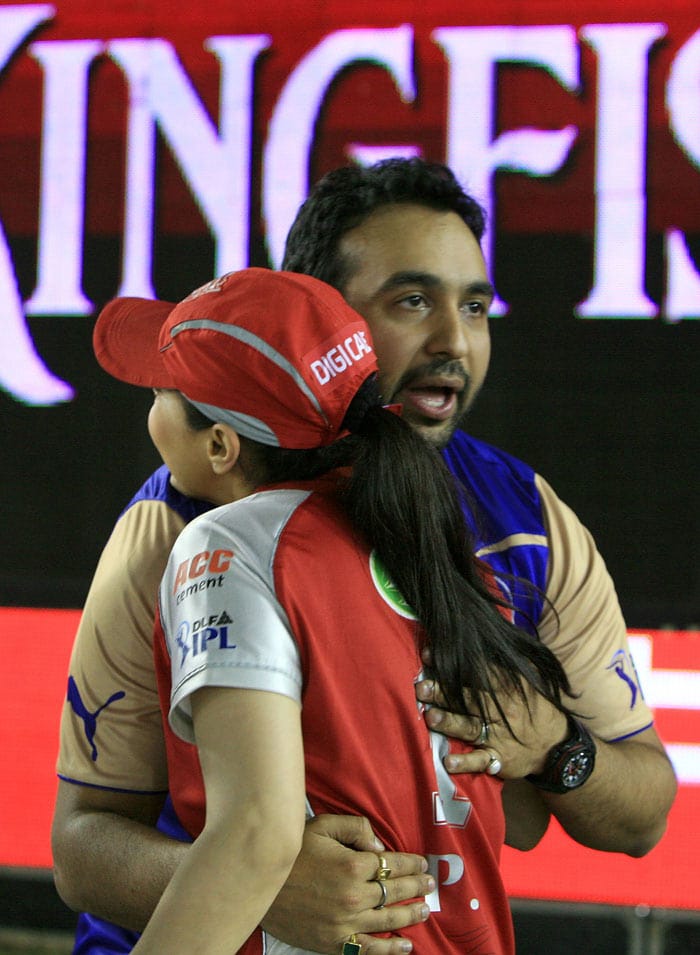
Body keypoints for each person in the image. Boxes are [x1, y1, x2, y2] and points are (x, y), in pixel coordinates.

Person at [52, 159, 676, 954]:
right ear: (317, 317)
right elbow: (87, 847)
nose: (453, 340)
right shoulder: (174, 526)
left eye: (476, 306)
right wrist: (259, 888)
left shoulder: (521, 521)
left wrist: (559, 746)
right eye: (412, 300)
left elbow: (620, 815)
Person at [90, 266, 572, 954]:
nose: (150, 408)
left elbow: (256, 833)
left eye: (163, 390)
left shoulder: (227, 543)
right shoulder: (433, 536)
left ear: (220, 444)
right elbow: (517, 818)